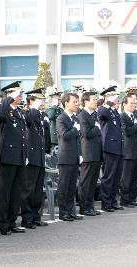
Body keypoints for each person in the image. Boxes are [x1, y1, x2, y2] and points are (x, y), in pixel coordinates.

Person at [0, 81, 27, 235]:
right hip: (7, 157)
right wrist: (8, 99)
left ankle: (12, 222)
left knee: (15, 192)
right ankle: (2, 224)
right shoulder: (4, 109)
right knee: (4, 192)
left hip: (19, 156)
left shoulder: (18, 111)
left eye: (19, 94)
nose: (20, 96)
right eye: (17, 94)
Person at [19, 88, 49, 228]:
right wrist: (34, 108)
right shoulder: (27, 113)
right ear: (31, 101)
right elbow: (29, 121)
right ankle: (27, 218)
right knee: (28, 189)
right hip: (30, 157)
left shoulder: (40, 115)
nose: (42, 102)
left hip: (39, 156)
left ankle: (36, 216)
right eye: (39, 99)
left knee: (38, 189)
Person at [56, 93, 83, 221]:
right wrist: (75, 129)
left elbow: (79, 139)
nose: (77, 104)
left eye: (77, 101)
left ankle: (71, 211)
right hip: (65, 157)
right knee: (64, 185)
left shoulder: (76, 118)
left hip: (75, 156)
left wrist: (81, 154)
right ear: (66, 103)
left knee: (72, 186)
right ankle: (63, 212)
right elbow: (64, 135)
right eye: (74, 101)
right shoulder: (61, 118)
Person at [98, 86, 124, 212]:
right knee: (109, 176)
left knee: (116, 176)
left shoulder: (114, 111)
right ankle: (106, 202)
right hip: (109, 148)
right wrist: (108, 102)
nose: (116, 98)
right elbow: (102, 114)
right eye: (112, 96)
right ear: (107, 97)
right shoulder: (104, 109)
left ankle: (113, 200)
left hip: (118, 147)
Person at [77, 92, 102, 216]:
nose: (96, 102)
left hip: (96, 152)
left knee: (93, 182)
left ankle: (90, 206)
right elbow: (86, 133)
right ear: (86, 101)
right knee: (86, 182)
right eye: (93, 100)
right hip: (88, 152)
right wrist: (97, 128)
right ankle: (83, 207)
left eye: (97, 100)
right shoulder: (82, 115)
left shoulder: (95, 115)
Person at [120, 95, 137, 207]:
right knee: (127, 177)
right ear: (124, 104)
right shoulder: (122, 116)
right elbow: (126, 131)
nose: (134, 105)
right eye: (131, 103)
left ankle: (132, 198)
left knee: (135, 176)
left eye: (135, 103)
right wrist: (135, 126)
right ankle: (125, 199)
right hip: (128, 151)